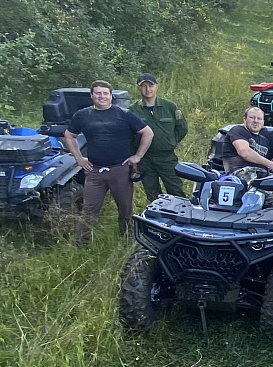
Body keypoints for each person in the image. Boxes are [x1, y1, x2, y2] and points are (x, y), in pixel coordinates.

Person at [63, 80, 152, 244]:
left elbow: (147, 133)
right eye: (98, 93)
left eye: (105, 93)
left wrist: (137, 157)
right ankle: (81, 242)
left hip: (120, 170)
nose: (101, 96)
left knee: (125, 208)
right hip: (94, 171)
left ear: (111, 96)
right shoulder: (82, 115)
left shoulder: (123, 114)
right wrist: (78, 158)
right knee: (89, 209)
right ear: (92, 96)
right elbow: (69, 135)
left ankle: (126, 239)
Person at [131, 72, 188, 199]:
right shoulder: (133, 110)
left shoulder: (170, 107)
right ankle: (157, 217)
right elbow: (129, 136)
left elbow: (182, 128)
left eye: (150, 85)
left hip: (166, 157)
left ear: (156, 87)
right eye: (144, 86)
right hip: (146, 159)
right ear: (138, 88)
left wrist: (169, 142)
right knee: (152, 192)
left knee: (176, 189)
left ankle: (180, 216)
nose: (148, 89)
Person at [216, 106, 273, 179]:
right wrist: (270, 164)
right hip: (239, 175)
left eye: (259, 118)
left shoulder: (265, 141)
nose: (256, 121)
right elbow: (244, 152)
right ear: (244, 119)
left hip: (262, 175)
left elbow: (262, 161)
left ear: (263, 122)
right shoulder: (238, 130)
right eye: (252, 117)